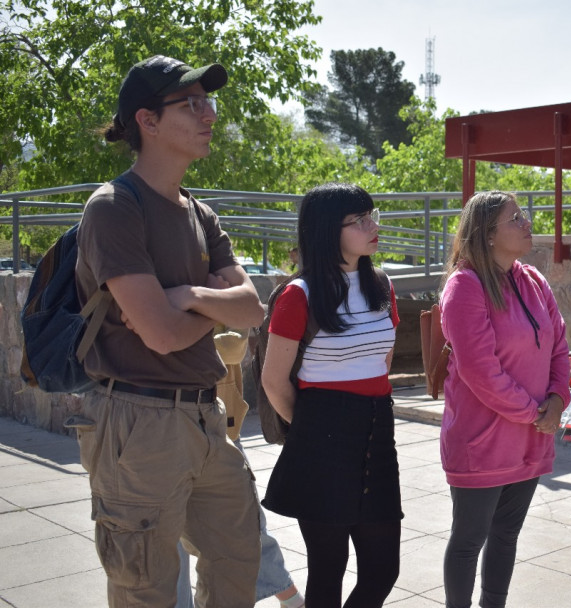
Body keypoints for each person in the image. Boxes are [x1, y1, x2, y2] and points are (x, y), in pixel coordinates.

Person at [72, 55, 265, 606]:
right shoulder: (114, 208)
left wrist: (188, 296)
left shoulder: (201, 214)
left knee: (237, 565)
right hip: (138, 424)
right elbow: (159, 335)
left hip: (207, 417)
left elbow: (252, 309)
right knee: (144, 589)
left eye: (209, 102)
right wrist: (209, 306)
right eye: (192, 104)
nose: (209, 116)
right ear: (147, 121)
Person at [260, 183, 401, 608]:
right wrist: (308, 427)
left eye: (372, 215)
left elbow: (382, 362)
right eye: (358, 220)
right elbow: (273, 380)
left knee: (382, 568)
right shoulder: (298, 295)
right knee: (328, 569)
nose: (371, 226)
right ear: (327, 230)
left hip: (377, 430)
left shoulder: (381, 284)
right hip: (322, 438)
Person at [439, 190, 571, 608]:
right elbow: (481, 373)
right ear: (488, 234)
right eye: (515, 218)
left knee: (506, 535)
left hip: (530, 435)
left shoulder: (532, 279)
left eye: (523, 214)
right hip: (483, 441)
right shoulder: (465, 286)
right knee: (468, 539)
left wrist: (558, 398)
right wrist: (537, 412)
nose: (527, 222)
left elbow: (560, 346)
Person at [176, 324, 305, 608]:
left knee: (246, 528)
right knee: (168, 538)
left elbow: (234, 347)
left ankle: (290, 597)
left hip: (222, 431)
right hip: (166, 430)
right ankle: (291, 598)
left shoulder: (220, 282)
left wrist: (174, 338)